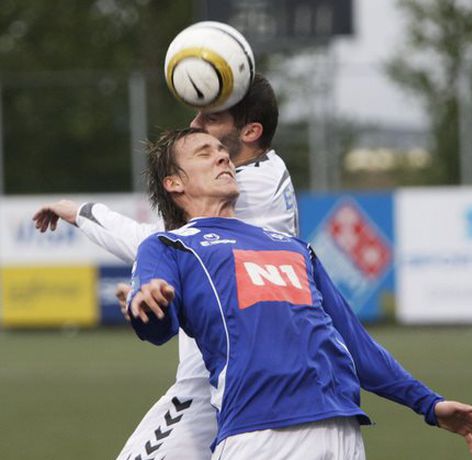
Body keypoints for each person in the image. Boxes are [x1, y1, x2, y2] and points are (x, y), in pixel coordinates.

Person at [128, 127, 472, 458]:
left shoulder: (294, 247)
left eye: (222, 150)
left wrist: (428, 403)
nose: (222, 156)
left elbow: (356, 344)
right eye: (204, 153)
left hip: (342, 429)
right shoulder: (170, 246)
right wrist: (148, 306)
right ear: (174, 183)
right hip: (261, 432)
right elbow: (156, 327)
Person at [32, 74, 298, 460]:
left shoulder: (248, 192)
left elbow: (158, 245)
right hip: (256, 378)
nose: (195, 123)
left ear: (251, 131)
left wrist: (81, 213)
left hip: (214, 381)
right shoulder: (268, 167)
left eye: (211, 118)